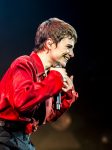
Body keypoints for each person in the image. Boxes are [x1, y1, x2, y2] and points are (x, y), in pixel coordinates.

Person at [0, 17, 78, 150]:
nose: (72, 54)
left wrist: (67, 95)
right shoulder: (24, 63)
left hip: (21, 139)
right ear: (50, 43)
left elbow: (47, 116)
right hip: (5, 138)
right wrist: (55, 79)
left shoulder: (47, 76)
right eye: (68, 47)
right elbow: (22, 102)